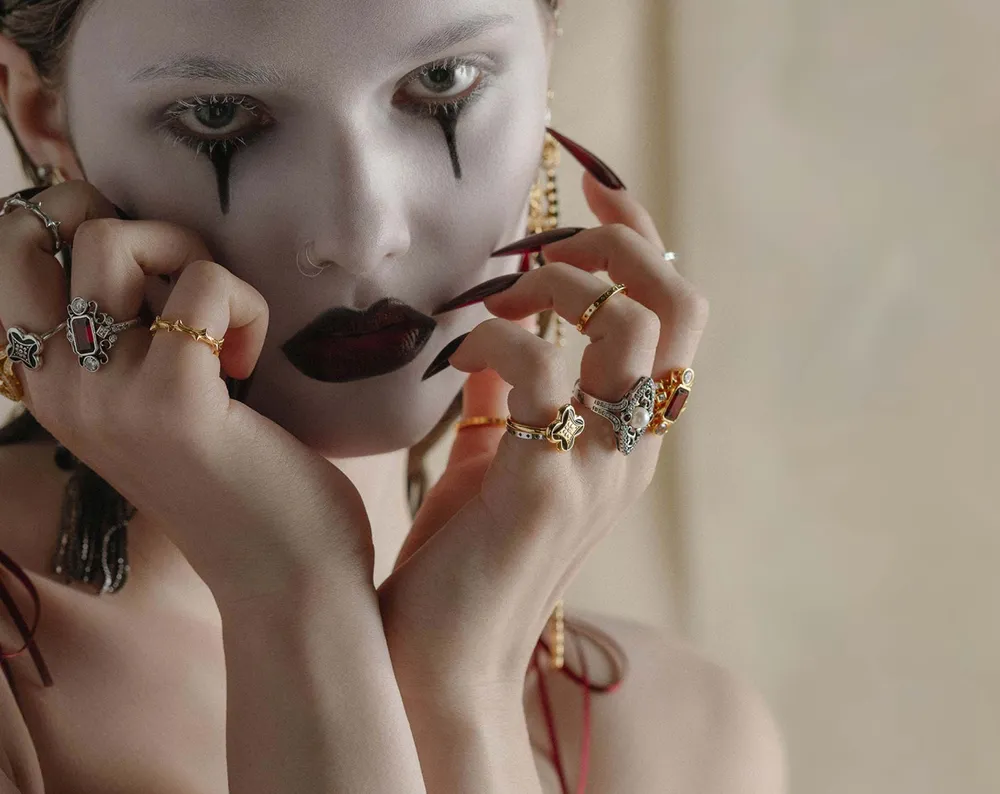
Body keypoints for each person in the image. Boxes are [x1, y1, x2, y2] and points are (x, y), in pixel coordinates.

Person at [0, 0, 785, 791]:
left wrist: (460, 689)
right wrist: (295, 598)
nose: (362, 236)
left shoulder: (685, 742)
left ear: (548, 57)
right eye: (219, 114)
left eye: (443, 80)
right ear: (39, 111)